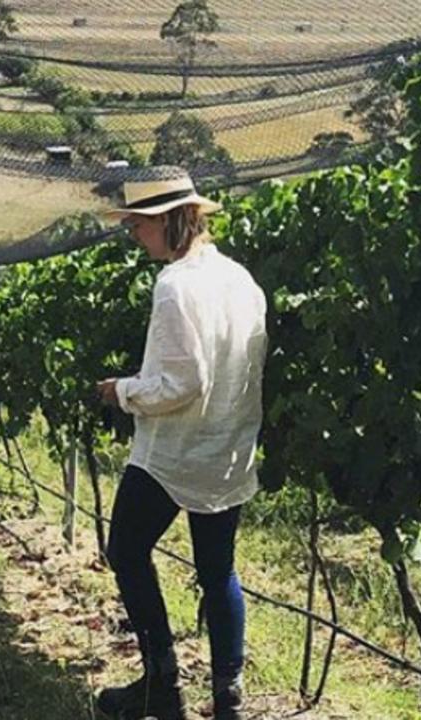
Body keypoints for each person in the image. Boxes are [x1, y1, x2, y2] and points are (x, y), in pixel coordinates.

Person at [95, 166, 267, 720]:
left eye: (138, 225)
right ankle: (228, 701)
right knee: (218, 571)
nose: (133, 236)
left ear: (169, 220)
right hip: (227, 449)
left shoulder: (175, 285)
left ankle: (162, 685)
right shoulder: (242, 279)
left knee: (124, 549)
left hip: (173, 452)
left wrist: (121, 391)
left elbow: (181, 383)